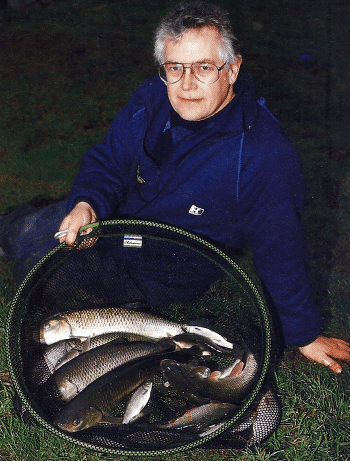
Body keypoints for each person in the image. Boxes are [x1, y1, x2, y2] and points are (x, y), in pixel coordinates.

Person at [1, 2, 349, 374]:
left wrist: (304, 334)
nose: (186, 84)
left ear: (232, 69)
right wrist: (88, 203)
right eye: (174, 67)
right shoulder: (152, 96)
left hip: (161, 266)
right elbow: (108, 162)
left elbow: (281, 248)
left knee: (41, 269)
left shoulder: (265, 155)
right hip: (116, 222)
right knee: (33, 228)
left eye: (203, 68)